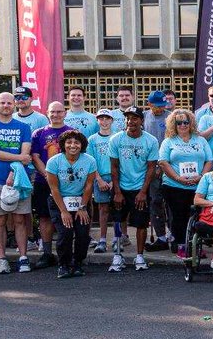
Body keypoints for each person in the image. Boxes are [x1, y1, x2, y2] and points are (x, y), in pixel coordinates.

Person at [0, 92, 33, 274]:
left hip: (19, 180)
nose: (7, 105)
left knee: (19, 219)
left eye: (10, 102)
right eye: (2, 102)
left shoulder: (24, 127)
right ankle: (2, 259)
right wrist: (18, 158)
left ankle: (23, 257)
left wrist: (13, 169)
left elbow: (27, 153)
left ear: (14, 105)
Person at [108, 107, 160, 272]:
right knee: (117, 219)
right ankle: (117, 255)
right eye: (128, 118)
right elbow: (114, 167)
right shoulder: (116, 139)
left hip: (140, 187)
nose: (131, 121)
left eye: (135, 118)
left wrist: (143, 192)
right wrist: (117, 192)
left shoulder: (150, 141)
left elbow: (151, 168)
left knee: (141, 223)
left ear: (141, 120)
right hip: (121, 187)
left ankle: (139, 256)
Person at [158, 109, 213, 257]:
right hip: (174, 185)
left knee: (197, 217)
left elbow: (209, 160)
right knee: (179, 216)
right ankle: (182, 246)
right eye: (179, 122)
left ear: (191, 123)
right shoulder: (168, 141)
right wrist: (177, 178)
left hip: (198, 186)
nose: (183, 125)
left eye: (186, 122)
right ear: (174, 125)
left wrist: (201, 176)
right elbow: (163, 162)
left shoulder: (200, 140)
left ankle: (196, 246)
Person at [44, 130, 97, 278]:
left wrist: (82, 207)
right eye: (69, 142)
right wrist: (64, 211)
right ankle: (63, 264)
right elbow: (54, 188)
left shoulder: (89, 161)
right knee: (65, 233)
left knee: (82, 233)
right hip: (59, 201)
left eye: (76, 142)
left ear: (82, 145)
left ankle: (78, 263)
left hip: (81, 200)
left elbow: (89, 185)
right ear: (63, 145)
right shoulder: (54, 162)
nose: (72, 145)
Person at [29, 102, 73, 269]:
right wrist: (48, 175)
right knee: (45, 217)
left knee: (68, 217)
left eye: (59, 111)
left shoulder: (71, 133)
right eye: (52, 112)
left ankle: (67, 253)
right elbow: (35, 156)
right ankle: (47, 253)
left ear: (65, 113)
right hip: (43, 181)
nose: (56, 114)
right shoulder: (39, 133)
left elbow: (77, 155)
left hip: (67, 183)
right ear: (47, 113)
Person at [143, 91, 174, 249]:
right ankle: (161, 236)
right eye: (157, 106)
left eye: (163, 106)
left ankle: (174, 234)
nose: (161, 109)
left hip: (169, 165)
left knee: (171, 201)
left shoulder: (171, 117)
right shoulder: (143, 117)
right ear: (150, 104)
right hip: (151, 166)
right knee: (155, 201)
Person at [86, 109, 117, 253]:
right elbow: (91, 162)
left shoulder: (117, 137)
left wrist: (114, 181)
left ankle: (119, 238)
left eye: (107, 119)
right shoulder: (92, 139)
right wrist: (98, 180)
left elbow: (120, 161)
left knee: (119, 208)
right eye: (101, 119)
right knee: (103, 208)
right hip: (100, 177)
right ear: (97, 121)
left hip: (115, 176)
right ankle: (103, 239)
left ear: (112, 120)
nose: (104, 122)